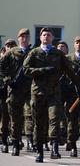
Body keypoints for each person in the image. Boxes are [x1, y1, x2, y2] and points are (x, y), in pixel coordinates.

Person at [23, 27, 80, 163]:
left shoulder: (57, 53)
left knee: (54, 118)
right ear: (40, 37)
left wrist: (79, 86)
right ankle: (40, 150)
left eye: (48, 35)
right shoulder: (34, 52)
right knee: (39, 122)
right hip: (38, 93)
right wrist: (41, 70)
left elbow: (69, 71)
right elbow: (25, 70)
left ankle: (54, 147)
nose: (46, 37)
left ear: (52, 38)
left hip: (54, 92)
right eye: (44, 35)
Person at [0, 28, 33, 156]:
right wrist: (8, 80)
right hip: (15, 90)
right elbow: (1, 67)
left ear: (29, 38)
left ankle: (30, 140)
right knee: (14, 118)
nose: (24, 39)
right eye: (22, 36)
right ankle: (14, 143)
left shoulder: (33, 52)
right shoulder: (11, 52)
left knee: (30, 115)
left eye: (26, 37)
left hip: (30, 89)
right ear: (18, 38)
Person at [0, 38, 17, 153]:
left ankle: (14, 139)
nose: (10, 47)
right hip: (2, 93)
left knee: (15, 117)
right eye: (8, 45)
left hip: (14, 92)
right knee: (4, 117)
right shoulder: (2, 61)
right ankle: (4, 140)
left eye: (12, 45)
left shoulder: (16, 61)